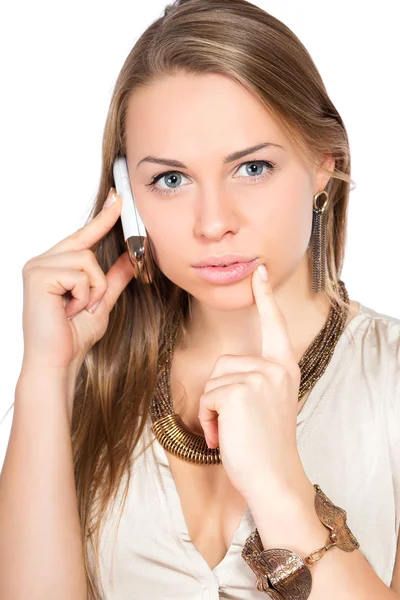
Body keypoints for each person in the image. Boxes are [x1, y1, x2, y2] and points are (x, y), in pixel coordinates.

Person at [1, 0, 399, 598]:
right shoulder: (91, 375)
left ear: (323, 164)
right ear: (127, 193)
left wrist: (282, 488)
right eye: (170, 179)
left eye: (253, 168)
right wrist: (45, 373)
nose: (213, 223)